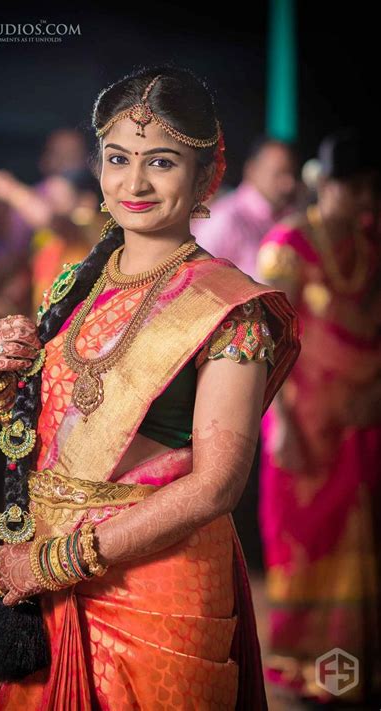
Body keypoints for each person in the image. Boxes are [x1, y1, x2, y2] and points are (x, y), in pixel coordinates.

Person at [0, 66, 300, 710]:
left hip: (156, 588)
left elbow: (217, 484)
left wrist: (57, 562)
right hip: (46, 572)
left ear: (206, 175)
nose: (134, 183)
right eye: (118, 158)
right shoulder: (74, 282)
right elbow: (45, 423)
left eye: (161, 162)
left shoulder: (232, 309)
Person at [256, 128, 381, 706]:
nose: (363, 202)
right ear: (323, 184)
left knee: (362, 546)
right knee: (309, 545)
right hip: (304, 424)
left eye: (369, 190)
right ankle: (310, 674)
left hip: (363, 418)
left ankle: (353, 676)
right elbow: (266, 340)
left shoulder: (371, 242)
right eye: (352, 189)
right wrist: (278, 421)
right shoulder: (288, 244)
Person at [192, 136, 300, 280]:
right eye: (279, 174)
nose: (289, 184)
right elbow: (196, 281)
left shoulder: (292, 218)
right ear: (252, 170)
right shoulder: (225, 219)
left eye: (292, 174)